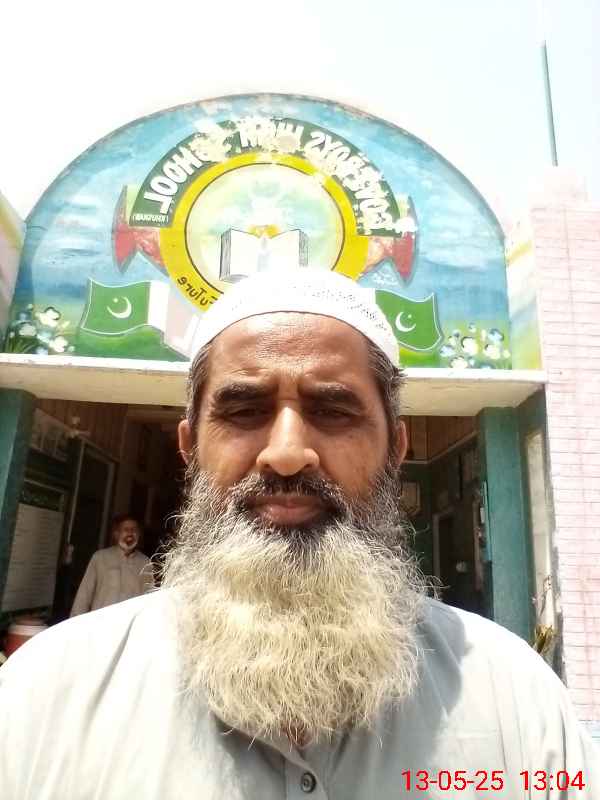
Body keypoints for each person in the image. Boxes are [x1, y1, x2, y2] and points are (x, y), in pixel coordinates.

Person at [0, 269, 597, 798]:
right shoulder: (44, 695)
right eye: (244, 411)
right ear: (189, 448)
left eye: (333, 411)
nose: (287, 454)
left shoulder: (515, 699)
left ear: (396, 448)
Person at [70, 513, 154, 616]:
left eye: (134, 530)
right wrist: (75, 620)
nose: (130, 533)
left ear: (139, 534)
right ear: (116, 534)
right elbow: (84, 594)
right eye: (126, 529)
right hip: (101, 621)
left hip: (129, 622)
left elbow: (149, 598)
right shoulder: (100, 558)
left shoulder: (145, 563)